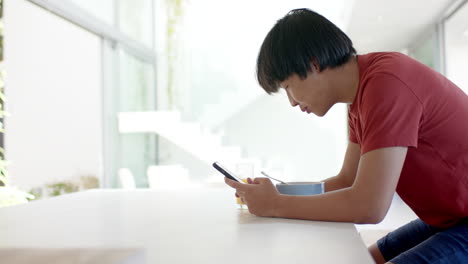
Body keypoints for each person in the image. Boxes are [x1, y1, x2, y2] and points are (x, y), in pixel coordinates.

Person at [224, 8, 468, 264]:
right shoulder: (360, 96)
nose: (292, 102)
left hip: (460, 220)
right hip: (450, 218)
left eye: (288, 87)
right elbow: (347, 180)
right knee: (361, 259)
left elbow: (368, 207)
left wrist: (275, 205)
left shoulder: (387, 84)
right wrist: (277, 195)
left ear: (313, 63)